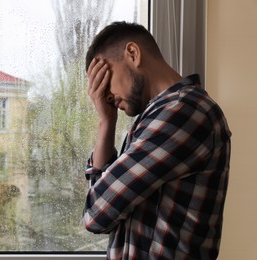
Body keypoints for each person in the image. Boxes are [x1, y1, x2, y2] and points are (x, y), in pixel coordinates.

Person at [83, 21, 231, 260]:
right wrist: (106, 123)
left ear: (133, 53)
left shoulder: (182, 113)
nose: (104, 94)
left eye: (105, 78)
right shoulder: (156, 117)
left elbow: (96, 215)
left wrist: (98, 207)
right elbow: (107, 217)